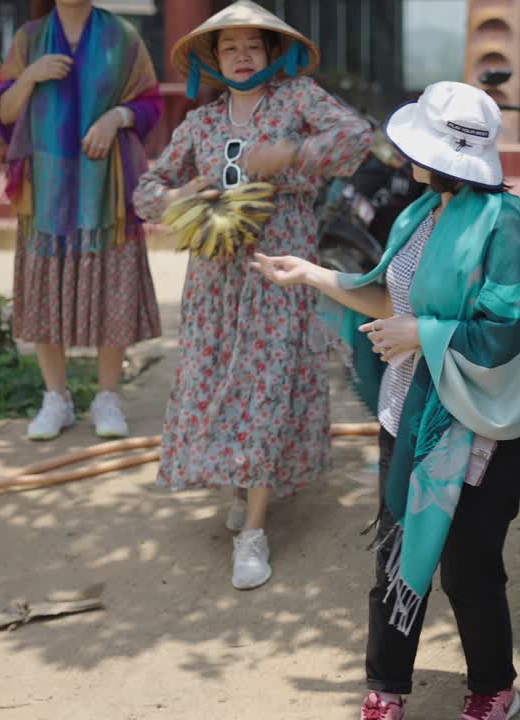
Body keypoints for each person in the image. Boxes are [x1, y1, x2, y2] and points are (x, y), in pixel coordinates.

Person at [252, 81, 520, 720]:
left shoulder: (505, 224)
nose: (404, 155)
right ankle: (385, 689)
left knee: (468, 565)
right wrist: (307, 272)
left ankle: (493, 687)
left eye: (417, 146)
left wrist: (424, 334)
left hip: (483, 425)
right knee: (393, 556)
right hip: (409, 414)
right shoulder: (420, 214)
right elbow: (388, 298)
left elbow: (507, 328)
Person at [133, 0, 371, 591]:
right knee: (222, 380)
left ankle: (254, 532)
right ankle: (243, 486)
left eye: (253, 46)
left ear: (271, 53)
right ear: (214, 59)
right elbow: (145, 191)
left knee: (265, 386)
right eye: (230, 47)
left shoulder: (297, 99)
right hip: (214, 281)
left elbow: (357, 137)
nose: (242, 57)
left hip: (279, 270)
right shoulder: (201, 124)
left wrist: (290, 154)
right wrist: (181, 194)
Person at [0, 0, 163, 441]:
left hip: (106, 185)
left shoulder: (123, 36)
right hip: (46, 187)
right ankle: (57, 399)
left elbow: (149, 103)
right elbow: (5, 112)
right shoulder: (29, 39)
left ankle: (107, 397)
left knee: (112, 283)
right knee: (45, 287)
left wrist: (115, 117)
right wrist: (30, 75)